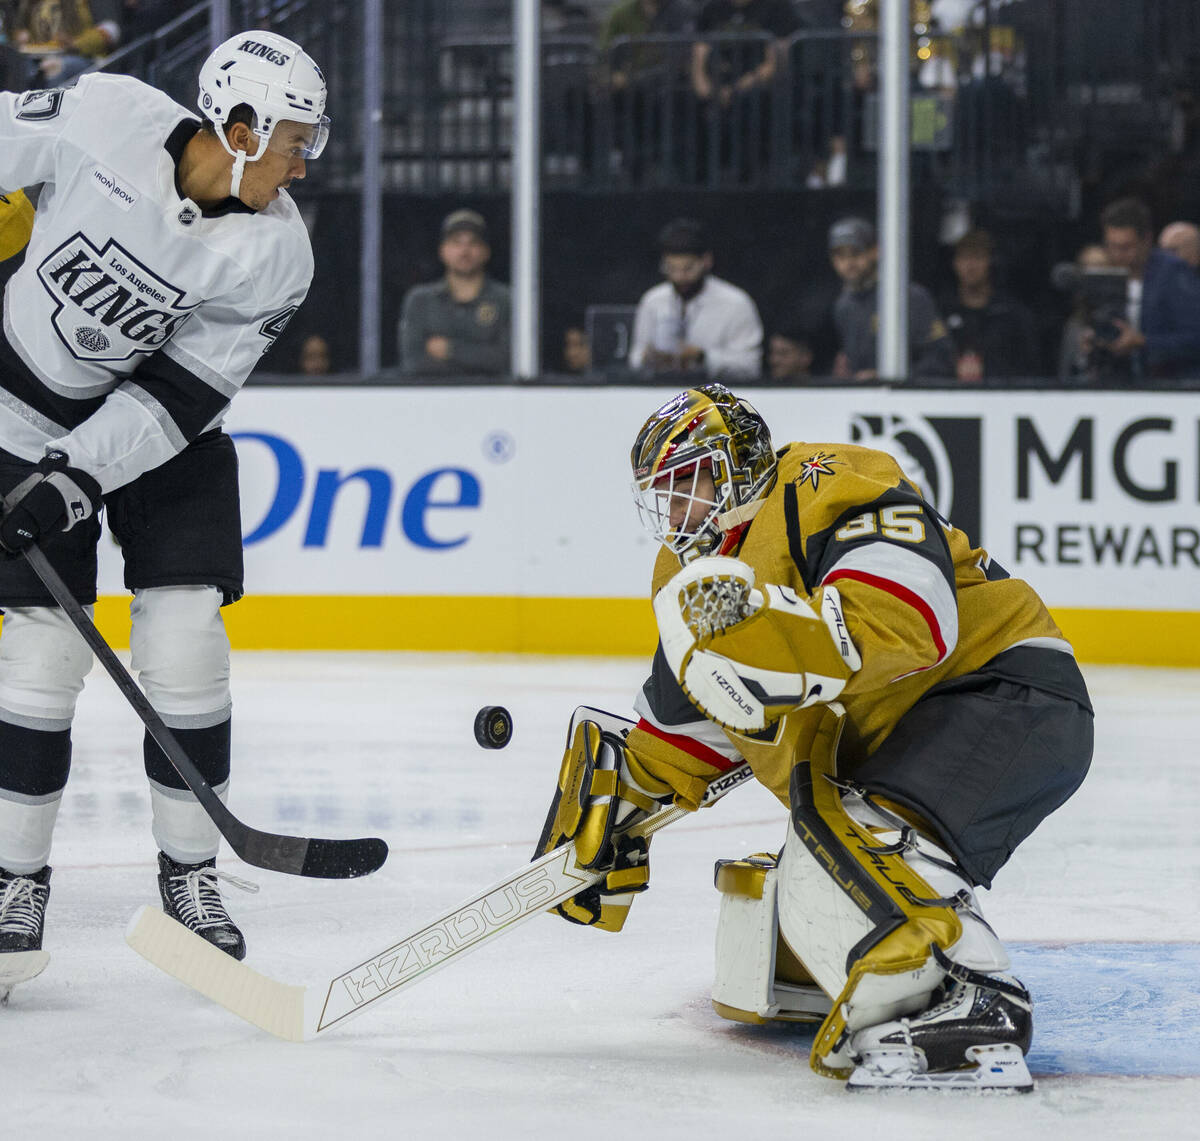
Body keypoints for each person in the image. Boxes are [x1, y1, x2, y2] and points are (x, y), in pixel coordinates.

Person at [535, 382, 1093, 1090]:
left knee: (852, 838)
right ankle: (865, 973)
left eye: (688, 484)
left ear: (737, 464)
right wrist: (622, 804)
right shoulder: (689, 577)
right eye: (663, 494)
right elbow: (694, 723)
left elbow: (910, 617)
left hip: (1003, 690)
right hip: (905, 736)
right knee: (813, 855)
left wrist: (778, 649)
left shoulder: (826, 484)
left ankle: (968, 993)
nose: (677, 511)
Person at [0, 30, 329, 983]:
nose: (304, 161)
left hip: (158, 441)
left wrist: (80, 474)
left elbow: (183, 397)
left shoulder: (279, 255)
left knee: (187, 637)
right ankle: (14, 884)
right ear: (238, 125)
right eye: (293, 139)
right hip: (17, 412)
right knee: (40, 652)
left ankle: (192, 874)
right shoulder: (104, 117)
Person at [630, 216, 762, 379]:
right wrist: (647, 357)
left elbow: (750, 366)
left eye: (688, 269)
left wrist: (702, 357)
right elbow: (634, 358)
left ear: (706, 261)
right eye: (671, 269)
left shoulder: (736, 303)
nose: (679, 277)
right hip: (659, 392)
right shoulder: (653, 300)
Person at [828, 216, 955, 381]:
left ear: (876, 251)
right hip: (862, 401)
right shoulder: (843, 306)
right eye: (840, 256)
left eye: (855, 253)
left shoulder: (908, 297)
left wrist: (889, 378)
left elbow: (942, 361)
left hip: (910, 400)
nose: (848, 263)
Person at [1092, 197, 1200, 382]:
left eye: (1126, 247)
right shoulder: (1106, 276)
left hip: (1173, 384)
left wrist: (1144, 342)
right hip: (1122, 383)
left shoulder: (1173, 273)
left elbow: (1195, 337)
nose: (1118, 254)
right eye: (1112, 246)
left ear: (1146, 239)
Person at [398, 209, 511, 377]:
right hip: (431, 397)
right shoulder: (420, 300)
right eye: (456, 243)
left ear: (486, 252)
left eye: (473, 243)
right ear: (442, 251)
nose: (464, 251)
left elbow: (507, 359)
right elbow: (413, 362)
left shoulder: (506, 299)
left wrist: (451, 350)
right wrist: (479, 362)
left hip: (493, 397)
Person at [940, 228, 1040, 382]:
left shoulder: (1012, 315)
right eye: (964, 258)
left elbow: (1029, 369)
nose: (970, 266)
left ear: (991, 262)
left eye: (978, 258)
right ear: (955, 263)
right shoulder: (942, 313)